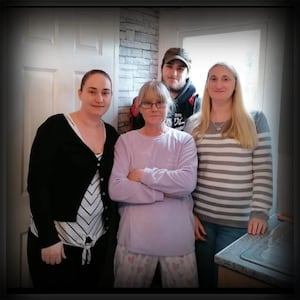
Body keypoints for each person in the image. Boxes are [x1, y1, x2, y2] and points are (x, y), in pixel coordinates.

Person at [26, 69, 120, 292]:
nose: (99, 98)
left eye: (105, 92)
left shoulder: (112, 134)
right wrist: (49, 239)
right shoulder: (55, 128)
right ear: (80, 93)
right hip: (56, 241)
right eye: (92, 91)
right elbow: (37, 185)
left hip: (97, 240)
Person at [184, 62, 273, 288]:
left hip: (239, 223)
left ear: (236, 84)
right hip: (200, 221)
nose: (219, 83)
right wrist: (188, 213)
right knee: (202, 281)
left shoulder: (255, 119)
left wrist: (260, 212)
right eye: (212, 78)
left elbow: (263, 170)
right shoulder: (193, 124)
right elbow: (186, 174)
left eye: (226, 78)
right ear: (206, 84)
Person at [108, 80, 199, 288]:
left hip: (178, 242)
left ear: (169, 105)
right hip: (134, 241)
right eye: (147, 103)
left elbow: (186, 183)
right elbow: (116, 188)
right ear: (139, 107)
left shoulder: (184, 141)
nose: (154, 108)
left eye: (160, 102)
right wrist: (162, 193)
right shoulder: (125, 141)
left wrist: (143, 174)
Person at [130, 47, 201, 131]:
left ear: (188, 73)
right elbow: (137, 137)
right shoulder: (145, 100)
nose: (174, 73)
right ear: (162, 68)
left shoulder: (198, 105)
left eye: (180, 69)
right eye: (169, 66)